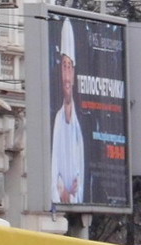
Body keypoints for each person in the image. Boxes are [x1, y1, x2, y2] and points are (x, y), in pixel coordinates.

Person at [51, 18, 84, 205]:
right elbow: (55, 171)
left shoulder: (80, 126)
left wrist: (74, 194)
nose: (67, 75)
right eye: (63, 66)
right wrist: (63, 191)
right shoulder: (57, 120)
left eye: (69, 67)